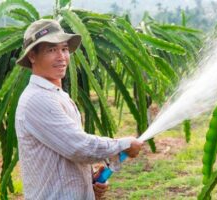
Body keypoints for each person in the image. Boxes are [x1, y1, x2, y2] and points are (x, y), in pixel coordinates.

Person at [15, 19, 143, 200]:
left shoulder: (58, 95)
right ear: (32, 56)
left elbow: (65, 155)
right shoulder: (37, 99)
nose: (61, 57)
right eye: (51, 50)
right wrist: (122, 144)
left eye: (64, 49)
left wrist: (90, 182)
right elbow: (78, 147)